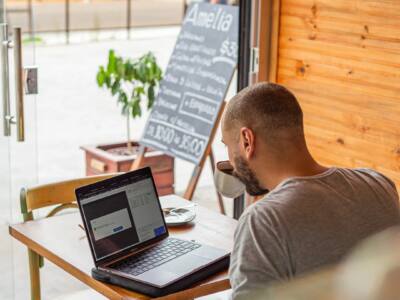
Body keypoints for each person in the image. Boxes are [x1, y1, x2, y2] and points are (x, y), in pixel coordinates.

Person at [221, 82, 400, 299]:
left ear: (247, 141)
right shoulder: (379, 184)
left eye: (228, 146)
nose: (230, 159)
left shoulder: (263, 221)